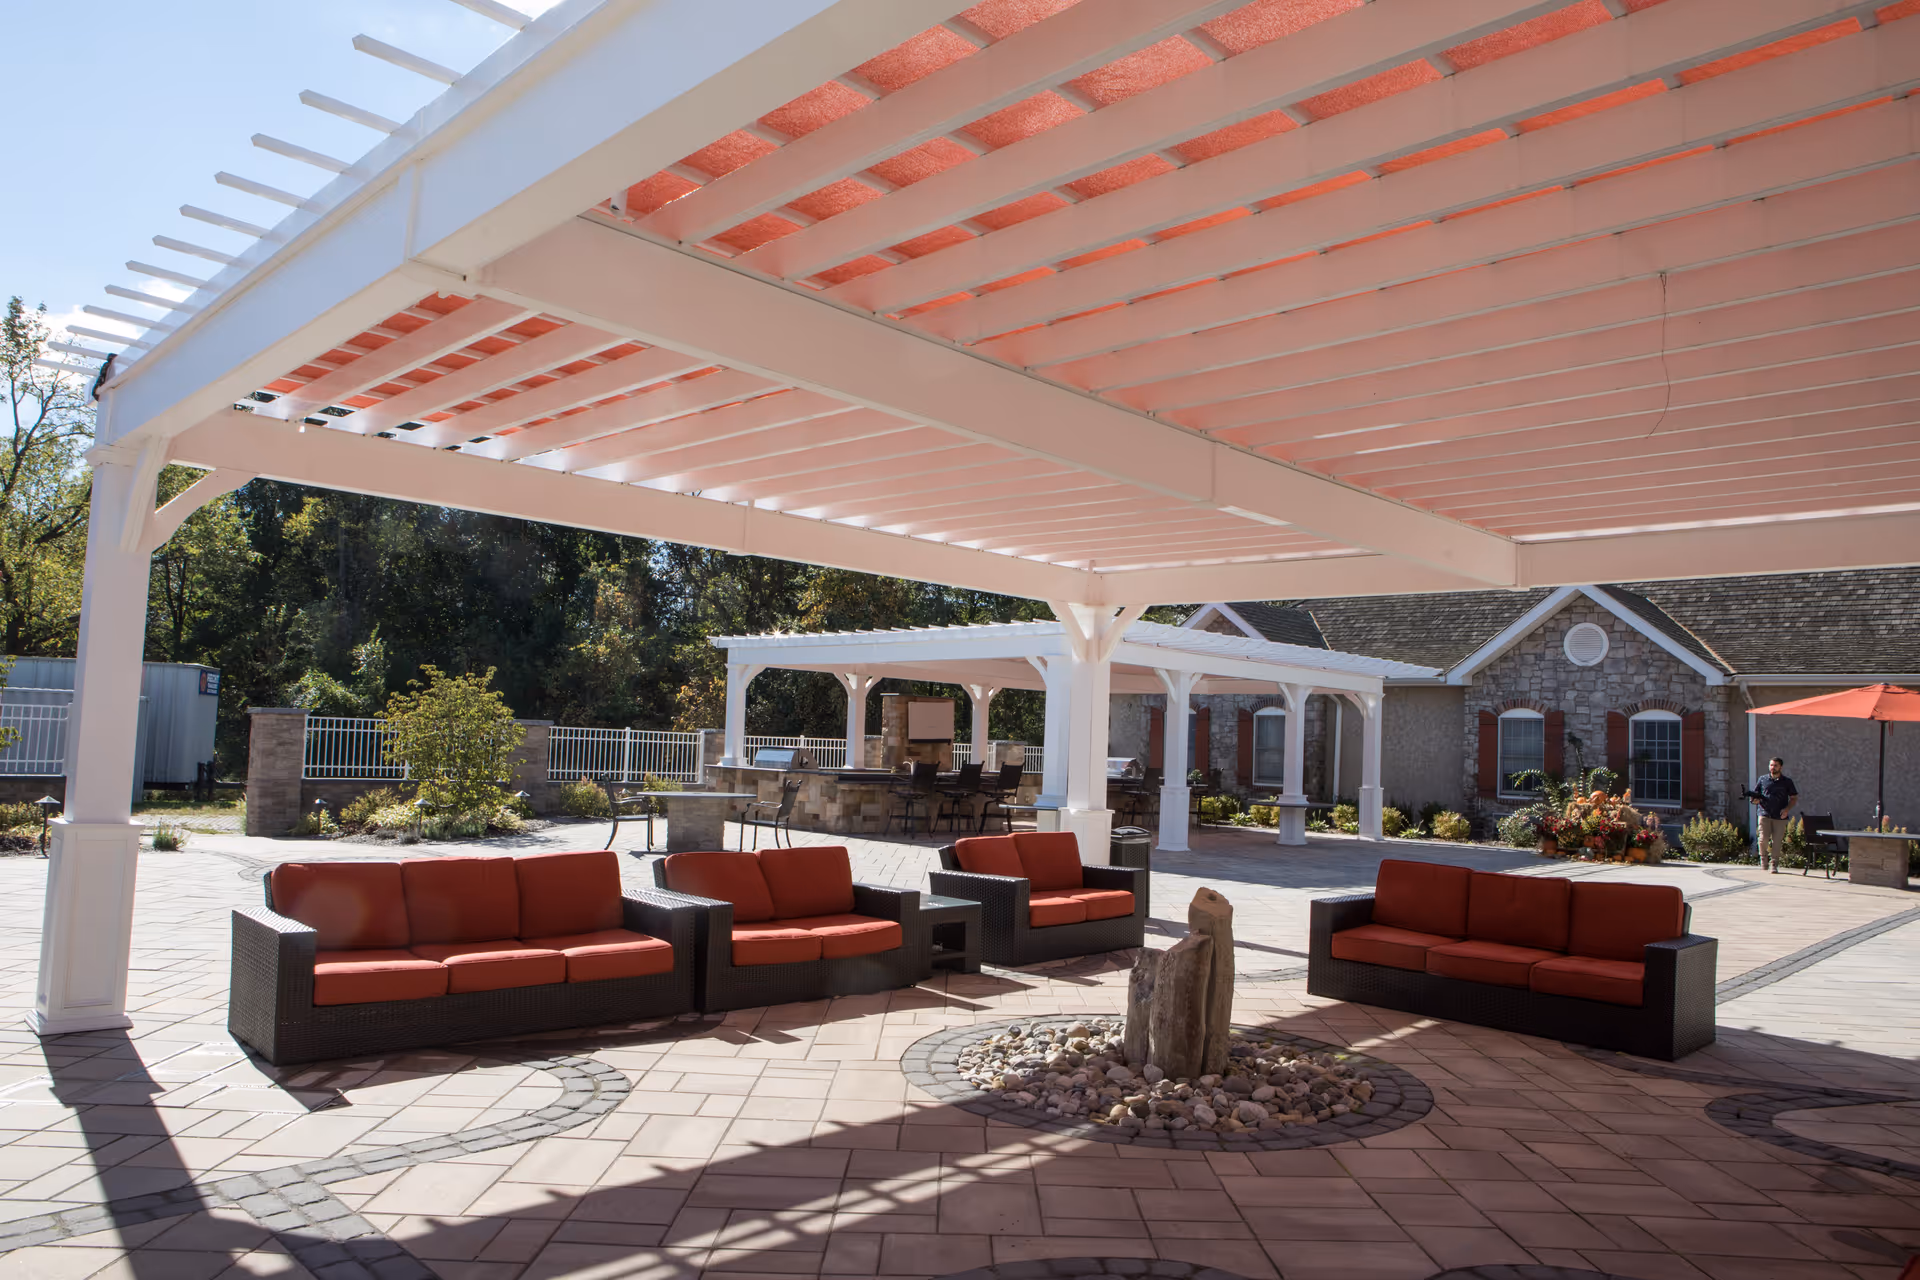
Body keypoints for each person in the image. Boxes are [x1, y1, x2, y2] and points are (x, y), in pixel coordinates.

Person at [1748, 756, 1798, 873]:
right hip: (1764, 813)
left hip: (1780, 816)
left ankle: (1774, 863)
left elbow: (1794, 798)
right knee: (1763, 839)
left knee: (1777, 841)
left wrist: (1787, 809)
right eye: (1771, 765)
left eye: (1775, 765)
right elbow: (1755, 796)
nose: (1772, 767)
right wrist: (1754, 800)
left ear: (1780, 767)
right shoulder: (1762, 779)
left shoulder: (1787, 782)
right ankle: (1763, 859)